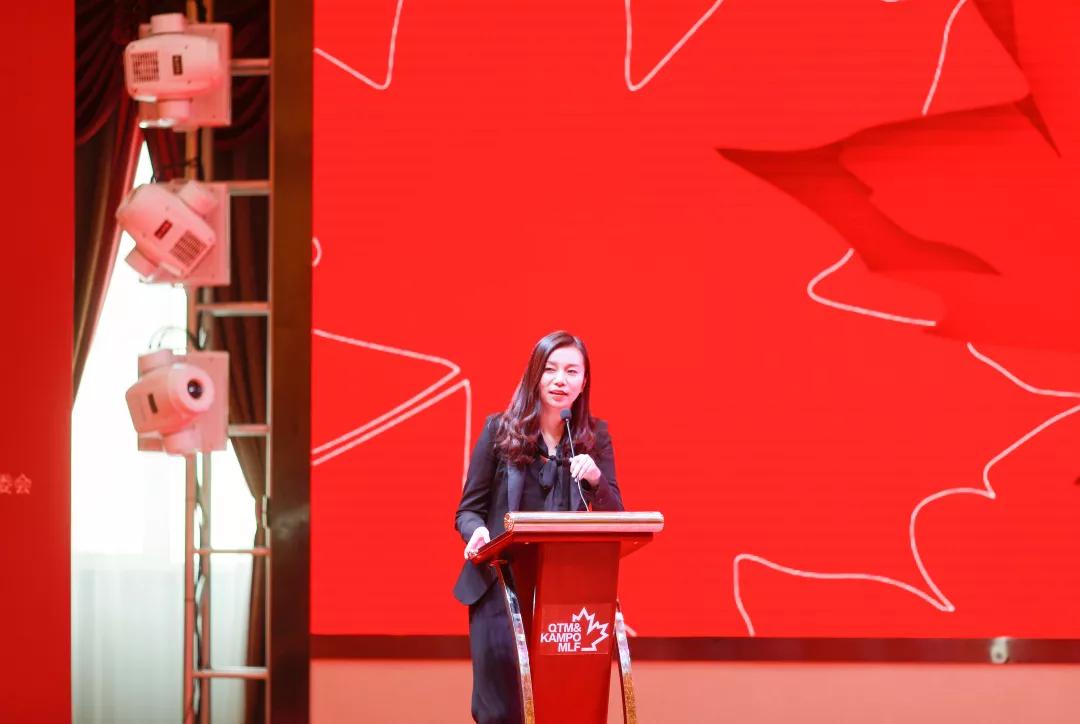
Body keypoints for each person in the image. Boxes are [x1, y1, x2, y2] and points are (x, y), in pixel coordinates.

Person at [452, 330, 624, 724]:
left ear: (584, 382)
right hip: (501, 590)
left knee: (559, 707)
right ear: (535, 374)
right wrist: (477, 533)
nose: (560, 380)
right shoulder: (499, 431)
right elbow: (468, 510)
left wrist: (595, 478)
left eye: (571, 371)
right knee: (502, 710)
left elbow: (616, 514)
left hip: (564, 596)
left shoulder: (594, 439)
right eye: (550, 369)